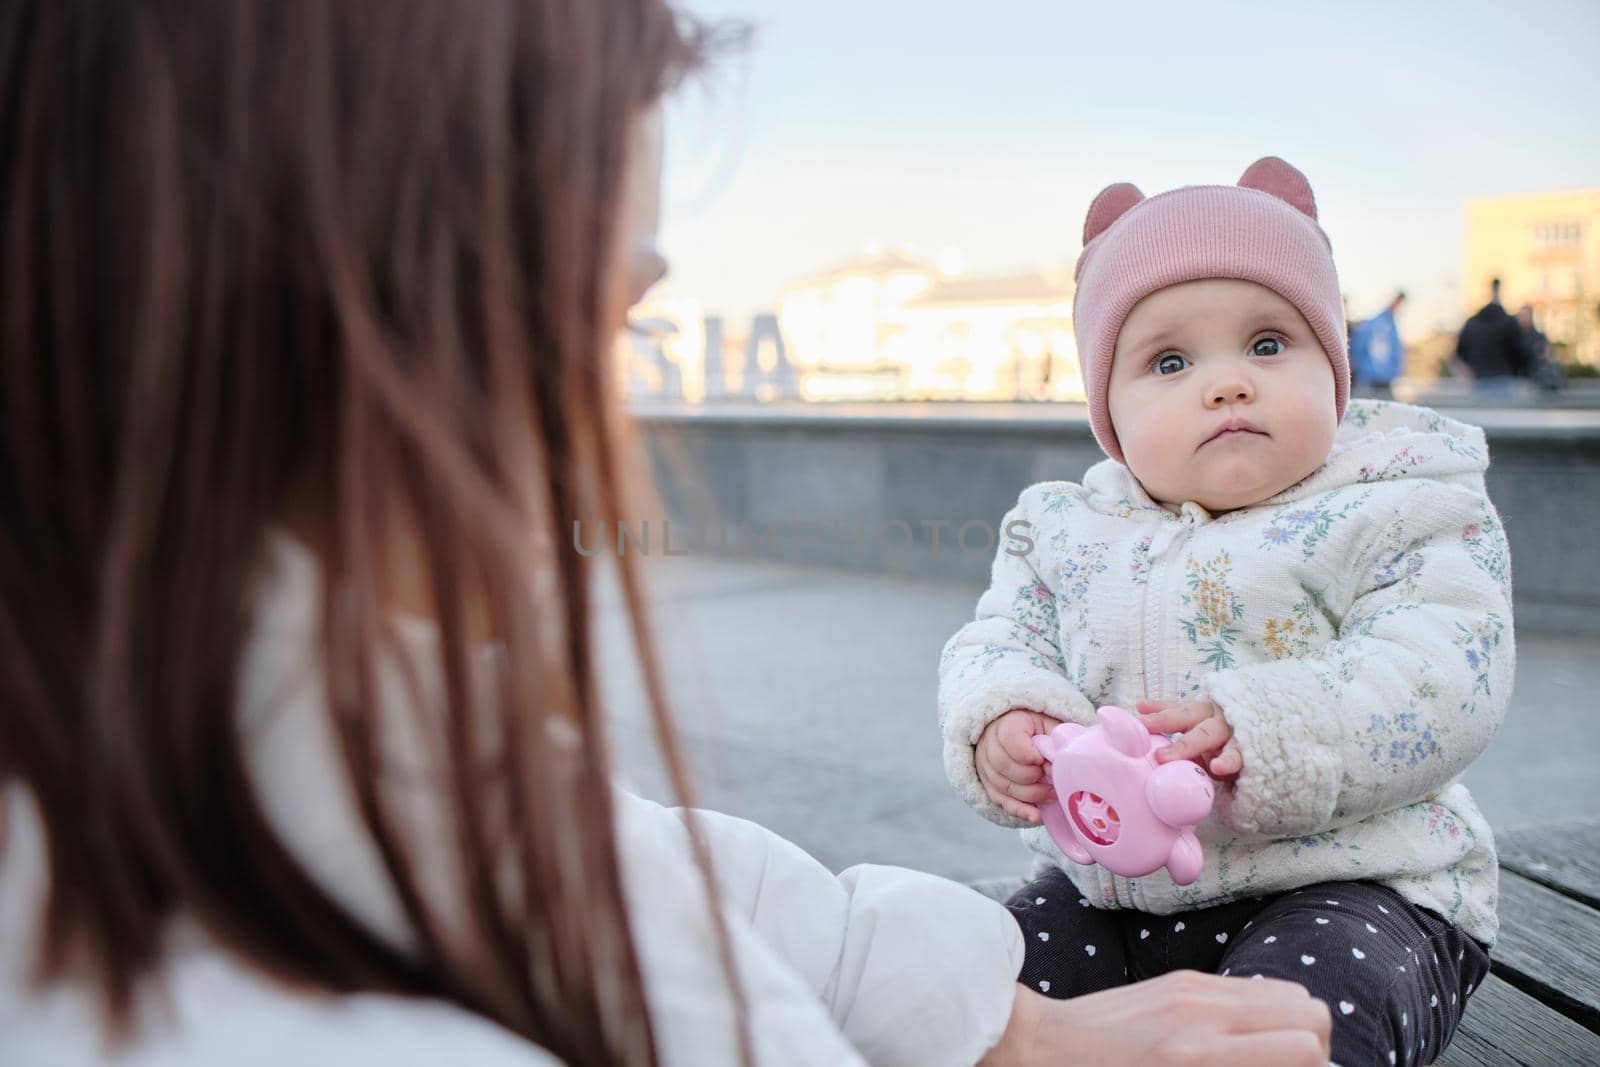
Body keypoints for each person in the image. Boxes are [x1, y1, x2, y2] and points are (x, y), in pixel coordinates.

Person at [0, 4, 1334, 1066]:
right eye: (598, 317)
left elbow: (565, 846)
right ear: (324, 305)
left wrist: (1007, 1027)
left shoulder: (203, 726)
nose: (605, 417)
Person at [938, 158, 1510, 1067]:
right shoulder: (1065, 526)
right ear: (1109, 411)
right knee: (979, 992)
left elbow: (1444, 670)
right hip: (1114, 896)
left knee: (1301, 1017)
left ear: (1335, 366)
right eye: (1170, 360)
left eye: (1269, 344)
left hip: (1356, 887)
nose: (1227, 383)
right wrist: (1006, 711)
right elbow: (1000, 635)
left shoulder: (1401, 502)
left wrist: (1272, 727)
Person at [1455, 278, 1534, 392]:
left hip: (1478, 383)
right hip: (1504, 381)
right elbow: (1521, 353)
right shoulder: (1509, 323)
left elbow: (1459, 354)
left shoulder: (1472, 323)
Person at [1348, 291, 1406, 398]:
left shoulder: (1390, 326)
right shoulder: (1376, 324)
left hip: (1384, 376)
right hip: (1369, 377)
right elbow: (1360, 347)